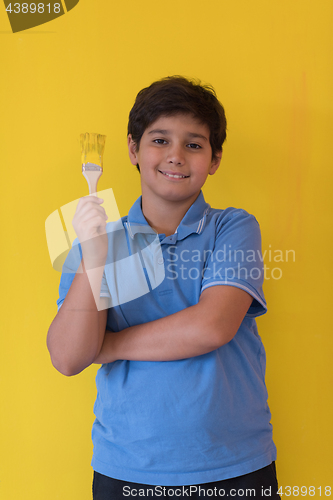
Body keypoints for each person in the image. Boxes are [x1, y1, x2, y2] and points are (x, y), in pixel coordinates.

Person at [47, 76, 280, 499]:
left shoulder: (234, 227)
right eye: (159, 140)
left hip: (235, 466)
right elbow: (67, 356)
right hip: (128, 470)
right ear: (133, 149)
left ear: (214, 159)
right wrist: (95, 255)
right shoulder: (96, 243)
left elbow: (211, 327)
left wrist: (110, 346)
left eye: (194, 144)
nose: (175, 156)